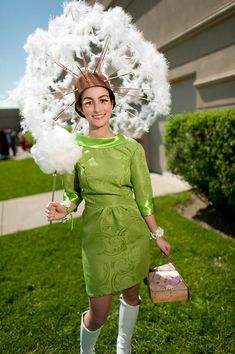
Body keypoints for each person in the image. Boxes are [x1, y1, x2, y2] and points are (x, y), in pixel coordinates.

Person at [45, 69, 171, 354]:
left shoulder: (131, 148)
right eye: (88, 102)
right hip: (98, 238)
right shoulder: (72, 149)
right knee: (98, 312)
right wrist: (62, 209)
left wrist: (157, 234)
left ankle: (123, 347)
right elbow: (72, 195)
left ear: (112, 103)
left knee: (132, 293)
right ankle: (86, 351)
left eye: (103, 99)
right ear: (80, 108)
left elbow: (144, 197)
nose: (97, 107)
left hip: (133, 234)